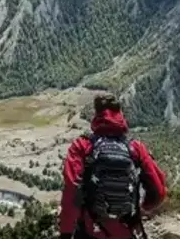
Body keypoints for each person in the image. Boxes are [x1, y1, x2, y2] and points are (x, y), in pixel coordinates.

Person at [60, 94, 167, 239]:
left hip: (91, 231)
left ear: (96, 114)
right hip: (128, 229)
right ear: (120, 115)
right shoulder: (136, 148)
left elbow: (71, 191)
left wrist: (66, 232)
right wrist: (142, 208)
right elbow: (158, 191)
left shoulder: (82, 146)